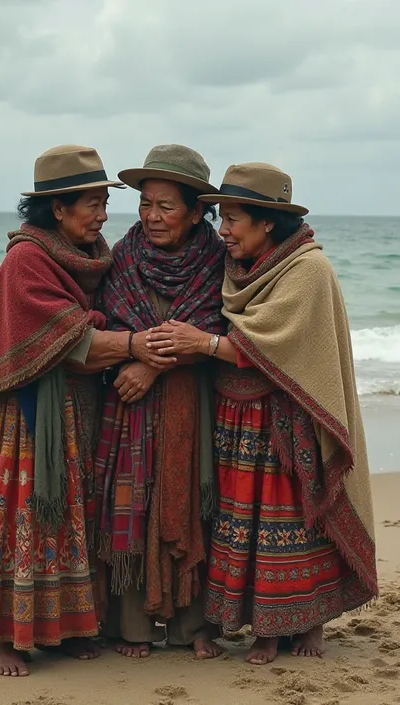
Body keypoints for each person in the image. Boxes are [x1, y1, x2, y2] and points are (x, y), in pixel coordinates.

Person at [146, 162, 378, 666]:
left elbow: (285, 345)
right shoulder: (239, 267)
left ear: (267, 221)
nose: (223, 231)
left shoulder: (308, 269)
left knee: (294, 518)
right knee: (239, 519)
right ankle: (262, 625)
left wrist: (205, 343)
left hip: (287, 419)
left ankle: (305, 622)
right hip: (234, 411)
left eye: (233, 219)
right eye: (221, 219)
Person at [0, 144, 151, 677]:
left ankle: (65, 628)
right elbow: (74, 339)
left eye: (104, 204)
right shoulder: (26, 260)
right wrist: (136, 347)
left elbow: (92, 331)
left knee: (73, 516)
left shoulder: (91, 257)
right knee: (24, 515)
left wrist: (124, 342)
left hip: (81, 406)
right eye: (92, 203)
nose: (104, 215)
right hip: (28, 413)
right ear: (57, 209)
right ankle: (5, 640)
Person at [94, 144, 226, 660]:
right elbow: (104, 320)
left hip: (193, 401)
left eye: (166, 206)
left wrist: (152, 362)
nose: (151, 216)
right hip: (128, 405)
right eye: (145, 203)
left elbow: (218, 325)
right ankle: (132, 626)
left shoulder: (218, 261)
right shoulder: (122, 255)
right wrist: (136, 356)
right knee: (130, 499)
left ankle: (195, 625)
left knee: (193, 498)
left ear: (196, 212)